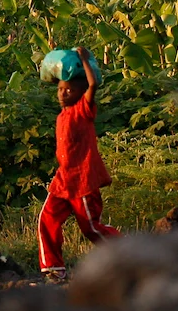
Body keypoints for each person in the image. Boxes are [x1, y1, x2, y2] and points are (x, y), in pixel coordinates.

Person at [38, 46, 119, 282]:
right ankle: (53, 269)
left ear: (79, 93)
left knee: (91, 228)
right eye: (61, 89)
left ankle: (127, 253)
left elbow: (93, 86)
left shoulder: (83, 111)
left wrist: (84, 60)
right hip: (64, 180)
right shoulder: (62, 116)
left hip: (82, 181)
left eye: (69, 90)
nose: (63, 94)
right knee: (47, 219)